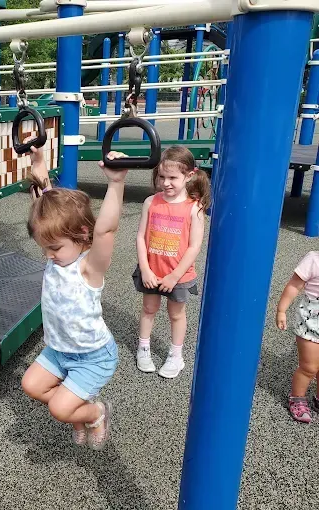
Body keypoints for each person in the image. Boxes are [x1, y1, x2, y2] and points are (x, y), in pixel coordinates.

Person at [21, 141, 128, 450]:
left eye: (53, 248)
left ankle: (96, 412)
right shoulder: (59, 251)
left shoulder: (88, 267)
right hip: (59, 350)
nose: (48, 255)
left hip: (92, 356)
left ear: (82, 233)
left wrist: (116, 182)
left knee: (58, 408)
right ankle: (77, 413)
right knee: (31, 385)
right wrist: (38, 161)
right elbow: (44, 197)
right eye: (44, 247)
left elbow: (106, 231)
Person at [133, 145, 210, 378]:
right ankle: (143, 347)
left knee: (176, 314)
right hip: (152, 271)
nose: (166, 183)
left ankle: (176, 355)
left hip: (178, 275)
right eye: (162, 177)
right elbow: (140, 237)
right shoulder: (151, 202)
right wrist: (145, 269)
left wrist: (175, 276)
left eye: (173, 178)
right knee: (149, 308)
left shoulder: (194, 208)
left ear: (189, 176)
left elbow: (194, 246)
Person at [276, 251, 319, 423]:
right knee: (309, 367)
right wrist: (281, 310)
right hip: (312, 323)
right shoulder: (314, 260)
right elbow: (294, 285)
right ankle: (297, 398)